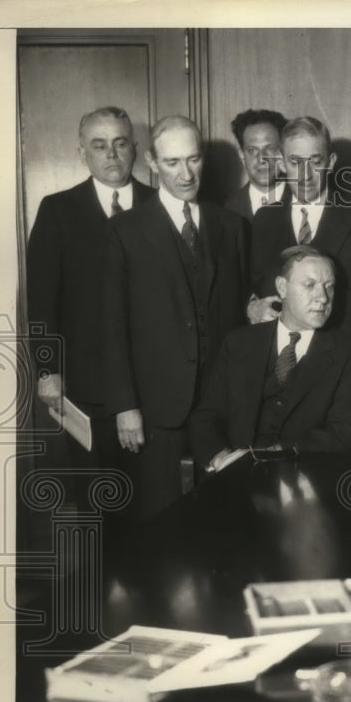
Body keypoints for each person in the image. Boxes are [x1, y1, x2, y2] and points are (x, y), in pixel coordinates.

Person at [103, 115, 248, 521]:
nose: (186, 174)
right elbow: (112, 328)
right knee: (162, 522)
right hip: (156, 409)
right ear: (150, 161)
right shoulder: (124, 232)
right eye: (172, 163)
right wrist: (125, 406)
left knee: (222, 519)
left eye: (194, 160)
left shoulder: (230, 226)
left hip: (221, 405)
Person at [27, 106, 155, 471]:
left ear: (135, 146)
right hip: (85, 383)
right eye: (99, 146)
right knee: (98, 497)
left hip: (153, 382)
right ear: (82, 153)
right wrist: (47, 369)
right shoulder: (57, 211)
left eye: (120, 143)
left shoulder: (160, 205)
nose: (111, 154)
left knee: (156, 502)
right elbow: (40, 299)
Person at [189, 246, 351, 471]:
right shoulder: (238, 343)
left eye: (329, 286)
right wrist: (221, 458)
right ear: (282, 287)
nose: (322, 298)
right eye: (309, 285)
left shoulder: (349, 353)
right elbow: (205, 417)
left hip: (305, 480)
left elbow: (344, 433)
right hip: (234, 480)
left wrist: (268, 455)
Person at [248, 116, 351, 372]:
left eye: (315, 162)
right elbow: (250, 287)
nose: (305, 175)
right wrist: (252, 307)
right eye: (295, 162)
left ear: (331, 163)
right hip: (278, 371)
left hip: (341, 374)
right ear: (281, 163)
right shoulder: (264, 221)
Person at [225, 108, 288, 221]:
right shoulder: (227, 210)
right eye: (252, 150)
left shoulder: (305, 200)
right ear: (242, 155)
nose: (262, 159)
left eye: (271, 149)